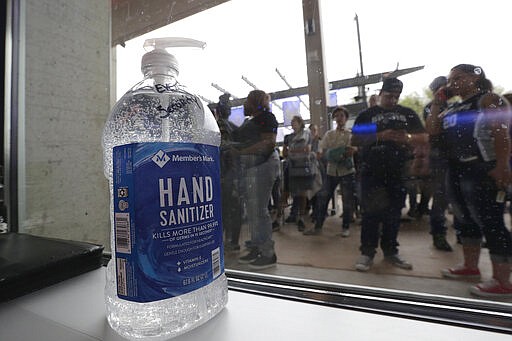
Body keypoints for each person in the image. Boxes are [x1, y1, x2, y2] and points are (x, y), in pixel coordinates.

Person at [426, 64, 512, 297]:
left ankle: (503, 280)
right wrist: (437, 101)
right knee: (464, 220)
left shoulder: (488, 99)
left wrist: (502, 167)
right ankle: (470, 267)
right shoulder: (452, 108)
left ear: (475, 78)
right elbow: (432, 130)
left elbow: (501, 133)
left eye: (458, 78)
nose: (452, 83)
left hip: (483, 168)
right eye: (450, 79)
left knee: (491, 222)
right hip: (456, 170)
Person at [351, 77, 428, 271]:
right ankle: (367, 253)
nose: (393, 100)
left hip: (399, 170)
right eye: (389, 96)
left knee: (394, 213)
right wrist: (379, 136)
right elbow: (355, 140)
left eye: (396, 96)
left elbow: (424, 137)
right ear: (380, 94)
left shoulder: (407, 114)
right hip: (372, 170)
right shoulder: (368, 114)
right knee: (371, 213)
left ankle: (391, 252)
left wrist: (408, 137)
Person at [234, 90, 280, 269]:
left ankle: (268, 253)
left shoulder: (267, 118)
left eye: (247, 100)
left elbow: (268, 143)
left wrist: (241, 152)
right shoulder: (251, 121)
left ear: (254, 102)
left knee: (259, 210)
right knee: (253, 210)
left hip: (264, 165)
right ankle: (257, 246)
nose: (244, 104)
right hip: (253, 167)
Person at [305, 106, 356, 237]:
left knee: (347, 200)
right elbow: (322, 150)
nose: (339, 118)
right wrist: (336, 153)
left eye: (342, 116)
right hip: (331, 171)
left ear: (346, 118)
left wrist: (333, 153)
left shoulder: (351, 134)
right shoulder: (329, 134)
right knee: (323, 198)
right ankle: (318, 226)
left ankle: (345, 228)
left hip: (347, 171)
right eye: (337, 116)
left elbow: (351, 150)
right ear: (334, 118)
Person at [422, 76, 453, 251]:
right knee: (441, 196)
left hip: (455, 155)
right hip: (439, 155)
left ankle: (462, 233)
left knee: (454, 196)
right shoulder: (430, 107)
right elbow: (431, 128)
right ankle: (438, 233)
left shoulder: (454, 106)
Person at [215, 93, 242, 252]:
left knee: (228, 209)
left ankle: (231, 240)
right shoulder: (227, 127)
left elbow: (227, 150)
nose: (228, 109)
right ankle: (230, 240)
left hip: (227, 174)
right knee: (230, 208)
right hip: (228, 174)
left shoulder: (226, 126)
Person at [285, 116, 316, 231]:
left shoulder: (306, 133)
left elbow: (306, 149)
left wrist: (293, 151)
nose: (293, 124)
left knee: (303, 193)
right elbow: (287, 152)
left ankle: (302, 217)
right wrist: (295, 152)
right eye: (292, 122)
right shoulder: (290, 136)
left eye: (294, 122)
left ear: (300, 123)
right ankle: (296, 215)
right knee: (295, 193)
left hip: (303, 167)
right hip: (294, 168)